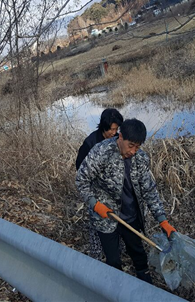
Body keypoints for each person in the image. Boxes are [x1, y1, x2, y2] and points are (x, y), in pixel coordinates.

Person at [76, 118, 177, 284]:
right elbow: (81, 180)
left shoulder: (141, 159)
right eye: (131, 146)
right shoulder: (101, 152)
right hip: (106, 218)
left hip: (130, 217)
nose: (134, 151)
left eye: (138, 147)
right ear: (120, 137)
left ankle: (145, 285)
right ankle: (118, 289)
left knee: (138, 254)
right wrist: (94, 203)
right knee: (113, 260)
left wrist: (163, 220)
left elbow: (149, 190)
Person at [76, 108, 123, 260]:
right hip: (95, 192)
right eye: (112, 129)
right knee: (96, 223)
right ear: (103, 126)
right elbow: (80, 170)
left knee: (115, 222)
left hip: (112, 192)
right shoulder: (90, 143)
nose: (114, 132)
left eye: (117, 129)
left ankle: (116, 250)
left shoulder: (117, 140)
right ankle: (96, 256)